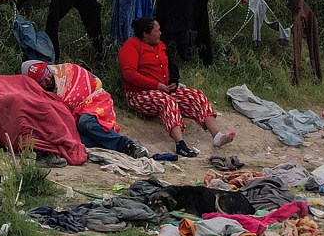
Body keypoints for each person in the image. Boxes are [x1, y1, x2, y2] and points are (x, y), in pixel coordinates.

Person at [119, 17, 235, 158]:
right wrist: (156, 85)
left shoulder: (161, 45)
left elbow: (172, 67)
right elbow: (129, 74)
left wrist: (173, 81)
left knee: (197, 95)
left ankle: (217, 135)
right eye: (157, 30)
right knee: (167, 101)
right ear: (145, 34)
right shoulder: (131, 46)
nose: (160, 33)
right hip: (139, 93)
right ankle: (180, 144)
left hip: (164, 89)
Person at [21, 59, 151, 160]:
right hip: (73, 117)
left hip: (95, 100)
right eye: (42, 81)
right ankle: (116, 144)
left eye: (47, 74)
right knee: (75, 141)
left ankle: (127, 144)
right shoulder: (40, 95)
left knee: (86, 122)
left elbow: (95, 82)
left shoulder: (67, 70)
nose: (48, 80)